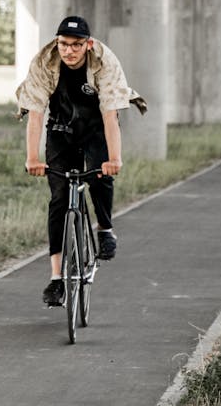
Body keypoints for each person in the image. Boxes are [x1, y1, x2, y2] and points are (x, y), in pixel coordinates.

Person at [16, 15, 146, 307]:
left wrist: (114, 159)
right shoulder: (44, 62)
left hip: (97, 126)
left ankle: (105, 229)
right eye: (64, 43)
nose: (69, 50)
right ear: (57, 42)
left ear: (87, 45)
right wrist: (32, 158)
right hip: (61, 129)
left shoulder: (104, 62)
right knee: (60, 198)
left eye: (76, 45)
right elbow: (35, 114)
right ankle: (56, 280)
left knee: (101, 175)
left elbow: (111, 116)